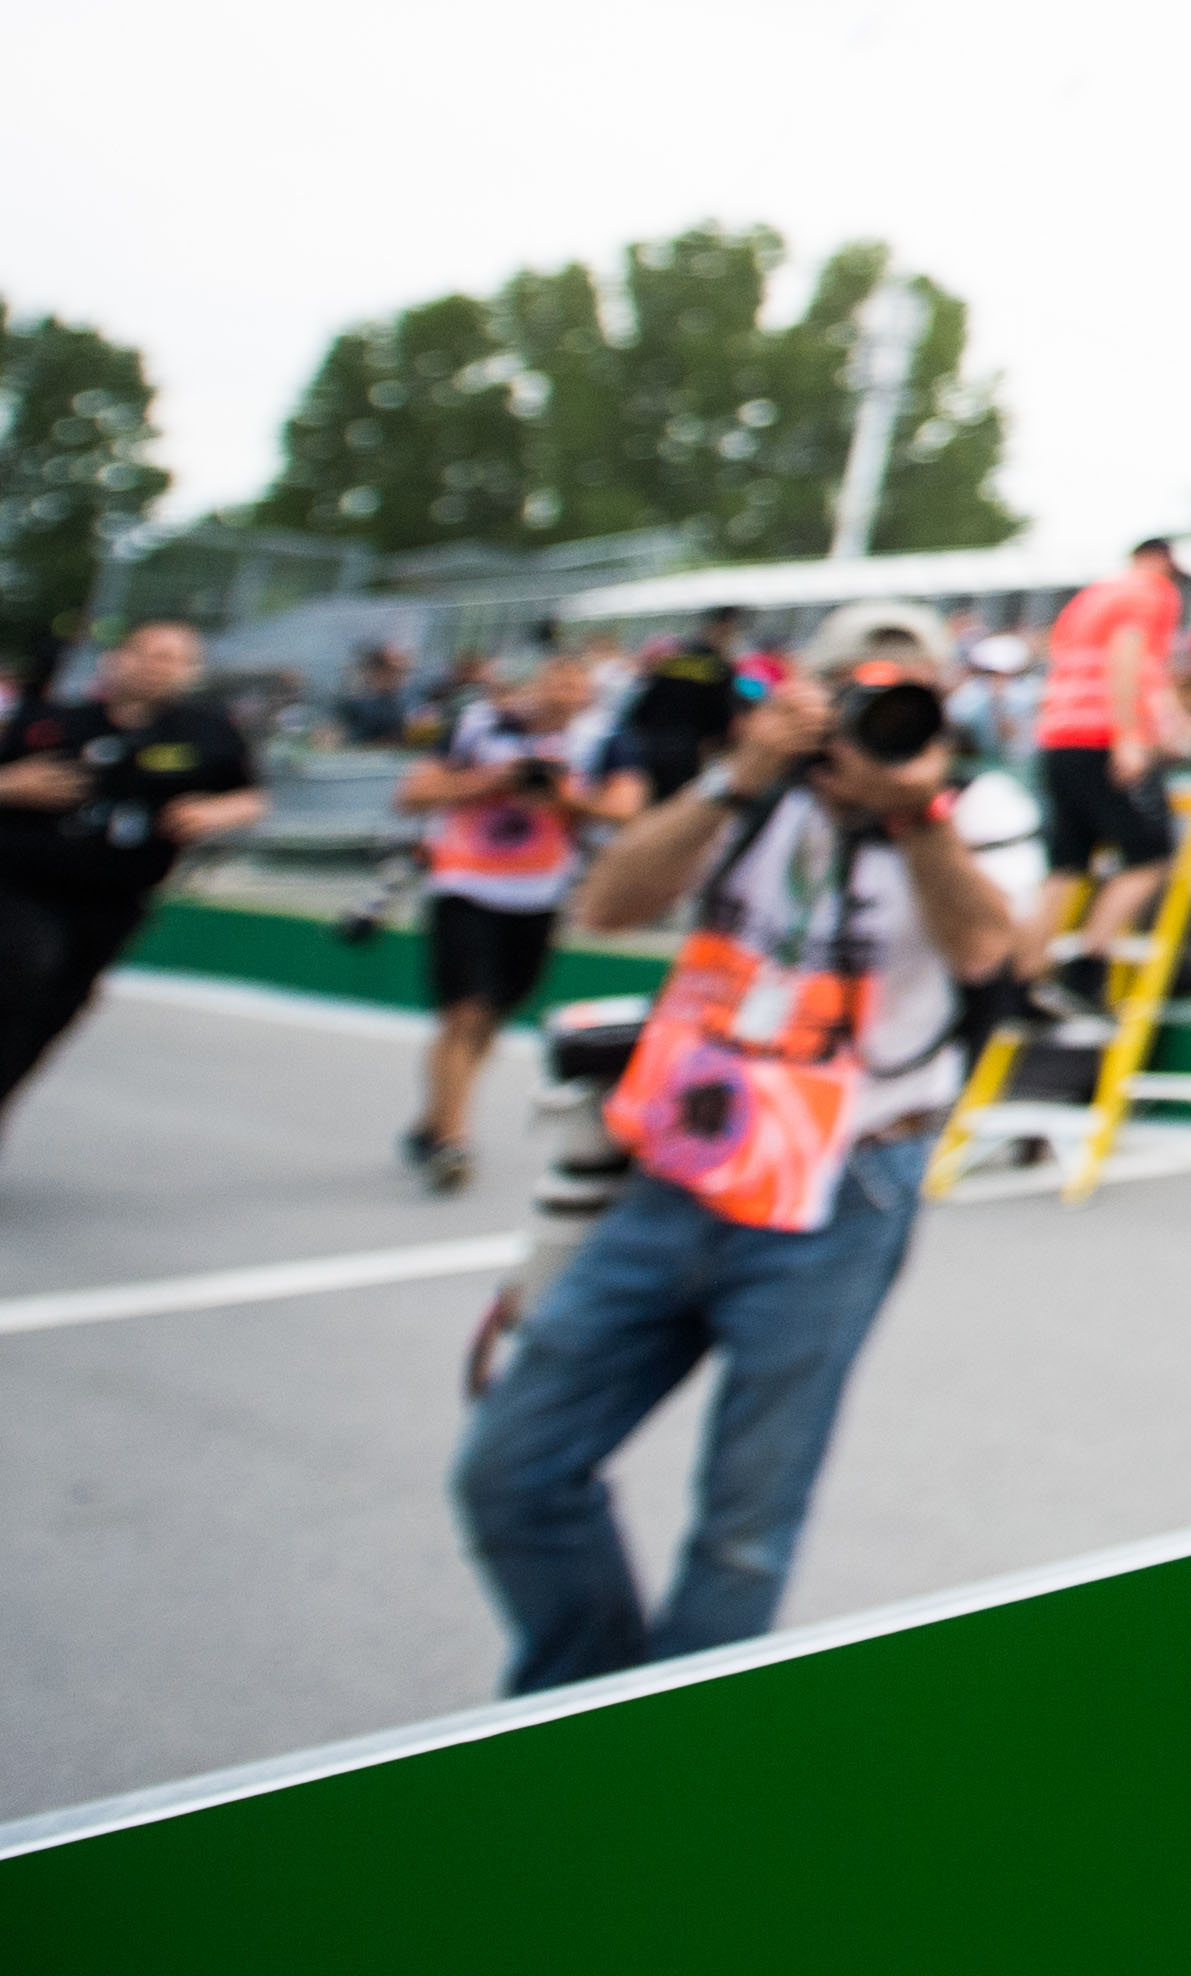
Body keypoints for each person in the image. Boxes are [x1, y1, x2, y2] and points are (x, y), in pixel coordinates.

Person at [451, 610, 1017, 1689]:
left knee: (745, 1527)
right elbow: (610, 901)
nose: (867, 714)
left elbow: (992, 951)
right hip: (685, 1168)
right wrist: (738, 780)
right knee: (511, 1469)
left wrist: (917, 815)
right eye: (846, 688)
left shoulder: (975, 807)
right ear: (802, 697)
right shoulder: (755, 788)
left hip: (843, 1187)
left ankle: (660, 1755)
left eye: (897, 692)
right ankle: (579, 1704)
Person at [0, 619, 265, 1137]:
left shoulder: (206, 733)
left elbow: (252, 797)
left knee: (50, 1014)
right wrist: (10, 785)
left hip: (114, 900)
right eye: (147, 653)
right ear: (117, 658)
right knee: (21, 976)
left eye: (173, 658)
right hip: (22, 888)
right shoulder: (50, 718)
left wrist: (216, 813)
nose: (156, 666)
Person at [394, 644, 633, 1190]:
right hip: (466, 886)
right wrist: (491, 781)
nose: (565, 694)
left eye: (576, 685)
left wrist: (565, 799)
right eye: (556, 681)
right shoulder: (477, 726)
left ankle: (433, 1120)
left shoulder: (600, 741)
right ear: (532, 684)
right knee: (464, 1011)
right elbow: (412, 794)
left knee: (492, 1015)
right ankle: (453, 1140)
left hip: (538, 897)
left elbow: (625, 809)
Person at [1029, 537, 1190, 983]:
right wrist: (1131, 736)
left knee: (1066, 865)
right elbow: (1130, 659)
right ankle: (1088, 968)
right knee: (1150, 855)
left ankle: (1027, 977)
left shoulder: (1092, 596)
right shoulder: (1149, 592)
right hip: (1102, 737)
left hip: (1060, 734)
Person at [611, 607, 757, 802]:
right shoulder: (718, 667)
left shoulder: (675, 660)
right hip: (686, 752)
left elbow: (641, 709)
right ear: (726, 627)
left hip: (648, 747)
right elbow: (720, 719)